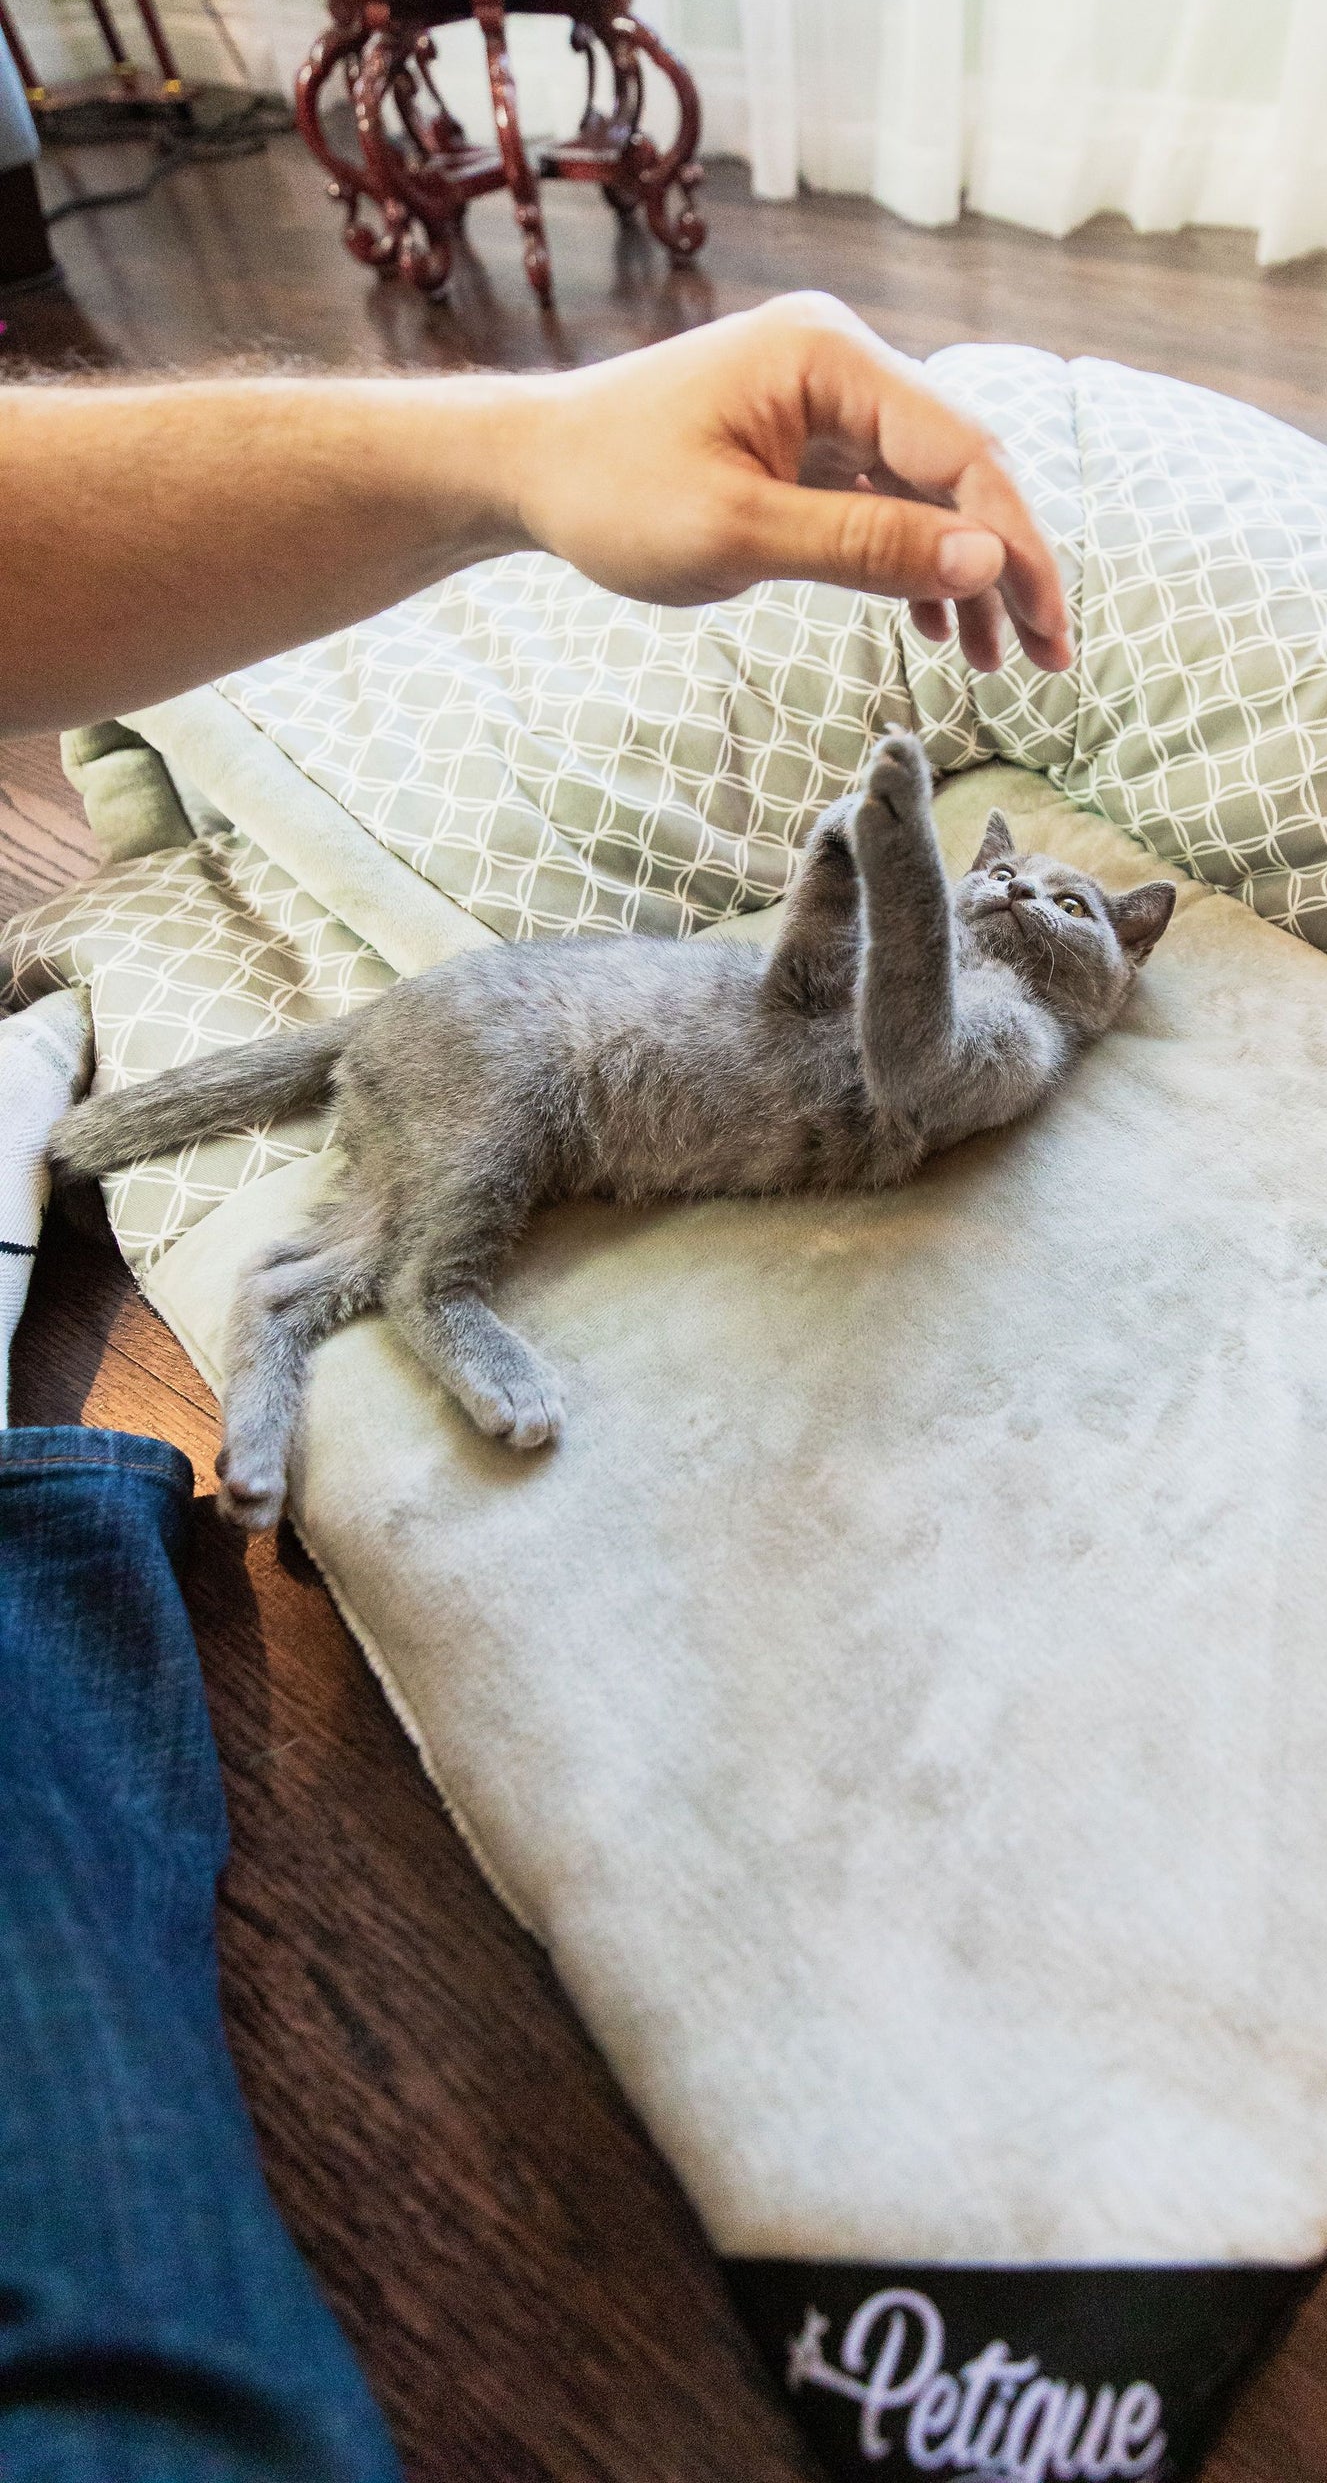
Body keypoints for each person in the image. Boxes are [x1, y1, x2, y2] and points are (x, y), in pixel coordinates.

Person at [0, 293, 1070, 2480]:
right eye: (1008, 876)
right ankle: (343, 1294)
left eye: (1052, 897)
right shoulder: (913, 938)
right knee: (432, 1189)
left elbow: (880, 1046)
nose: (1020, 879)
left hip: (577, 1049)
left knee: (378, 1215)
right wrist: (862, 850)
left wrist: (901, 864)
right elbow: (799, 990)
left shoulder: (1020, 1034)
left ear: (1100, 951)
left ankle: (275, 1300)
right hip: (536, 1033)